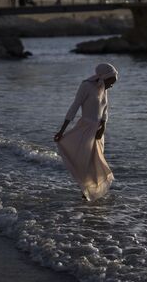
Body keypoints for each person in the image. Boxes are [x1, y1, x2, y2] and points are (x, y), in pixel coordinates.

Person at [54, 63, 118, 201]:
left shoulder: (103, 88)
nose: (111, 86)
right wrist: (62, 130)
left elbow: (105, 110)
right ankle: (86, 192)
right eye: (110, 82)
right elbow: (75, 106)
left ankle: (89, 194)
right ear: (103, 78)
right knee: (86, 162)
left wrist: (103, 128)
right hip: (85, 130)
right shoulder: (86, 86)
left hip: (98, 133)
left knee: (96, 162)